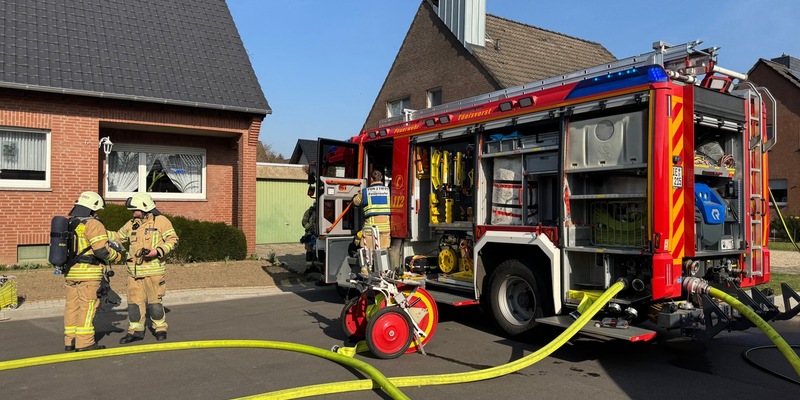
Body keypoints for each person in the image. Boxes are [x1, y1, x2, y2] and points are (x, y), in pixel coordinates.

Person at [110, 193, 178, 344]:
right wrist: (100, 233)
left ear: (145, 208)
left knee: (154, 303)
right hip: (134, 274)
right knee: (134, 304)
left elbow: (173, 240)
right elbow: (117, 237)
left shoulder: (161, 221)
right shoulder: (132, 224)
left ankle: (160, 329)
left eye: (135, 210)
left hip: (154, 273)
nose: (133, 213)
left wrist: (156, 251)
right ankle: (135, 331)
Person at [63, 191, 124, 352]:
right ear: (92, 208)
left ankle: (70, 340)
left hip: (71, 273)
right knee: (87, 307)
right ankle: (85, 343)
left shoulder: (72, 223)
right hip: (89, 274)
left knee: (72, 307)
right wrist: (117, 256)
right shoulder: (93, 224)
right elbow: (101, 252)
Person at [352, 170, 391, 251]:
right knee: (383, 254)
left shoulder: (365, 192)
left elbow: (355, 202)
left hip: (371, 230)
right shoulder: (389, 191)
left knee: (368, 255)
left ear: (371, 179)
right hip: (385, 229)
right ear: (381, 178)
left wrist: (357, 194)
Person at [301, 201, 319, 273]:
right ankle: (308, 268)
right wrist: (309, 227)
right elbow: (304, 221)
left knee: (315, 251)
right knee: (309, 250)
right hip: (309, 234)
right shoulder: (309, 211)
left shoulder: (322, 211)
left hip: (317, 234)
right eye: (315, 204)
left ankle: (314, 267)